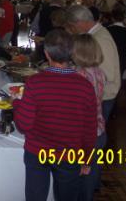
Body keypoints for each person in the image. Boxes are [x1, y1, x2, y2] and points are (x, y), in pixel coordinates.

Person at [12, 29, 97, 201]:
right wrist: (87, 159)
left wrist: (16, 103)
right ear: (72, 53)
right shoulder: (85, 86)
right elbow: (89, 130)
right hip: (70, 154)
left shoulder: (35, 83)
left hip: (38, 153)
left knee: (36, 197)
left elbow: (23, 125)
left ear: (46, 54)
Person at [66, 5, 121, 122]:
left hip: (103, 96)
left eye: (72, 26)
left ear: (80, 22)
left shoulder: (100, 39)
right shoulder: (95, 34)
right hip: (98, 95)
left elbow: (108, 74)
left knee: (95, 132)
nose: (71, 30)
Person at [72, 34, 106, 201]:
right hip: (99, 130)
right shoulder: (99, 73)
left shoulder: (79, 76)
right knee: (90, 178)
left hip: (84, 134)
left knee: (79, 180)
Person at [107, 8, 126, 76]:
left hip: (108, 59)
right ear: (124, 19)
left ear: (112, 18)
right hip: (123, 61)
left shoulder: (106, 30)